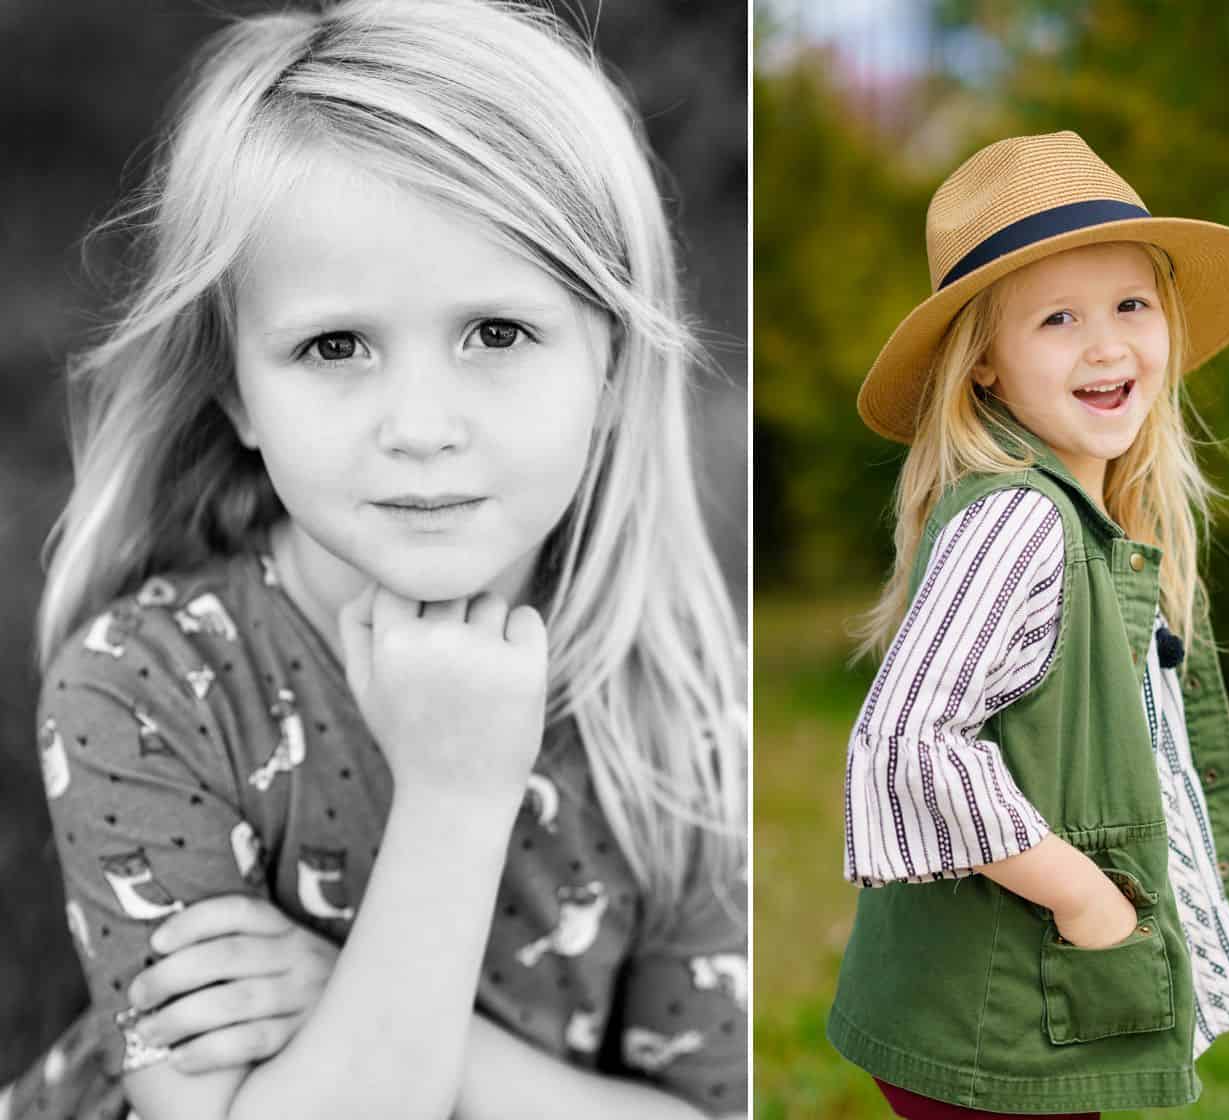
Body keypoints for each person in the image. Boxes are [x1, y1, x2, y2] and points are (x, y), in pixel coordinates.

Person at [0, 2, 746, 1118]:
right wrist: (453, 798)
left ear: (611, 366)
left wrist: (346, 997)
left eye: (496, 332)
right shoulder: (148, 684)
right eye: (333, 345)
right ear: (235, 391)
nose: (420, 424)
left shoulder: (676, 715)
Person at [827, 131, 1229, 1118]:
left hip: (1017, 1011)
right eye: (1058, 319)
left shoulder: (1088, 518)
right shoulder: (1021, 518)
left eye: (1130, 304)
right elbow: (907, 741)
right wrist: (1083, 897)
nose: (1108, 344)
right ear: (984, 365)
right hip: (995, 1016)